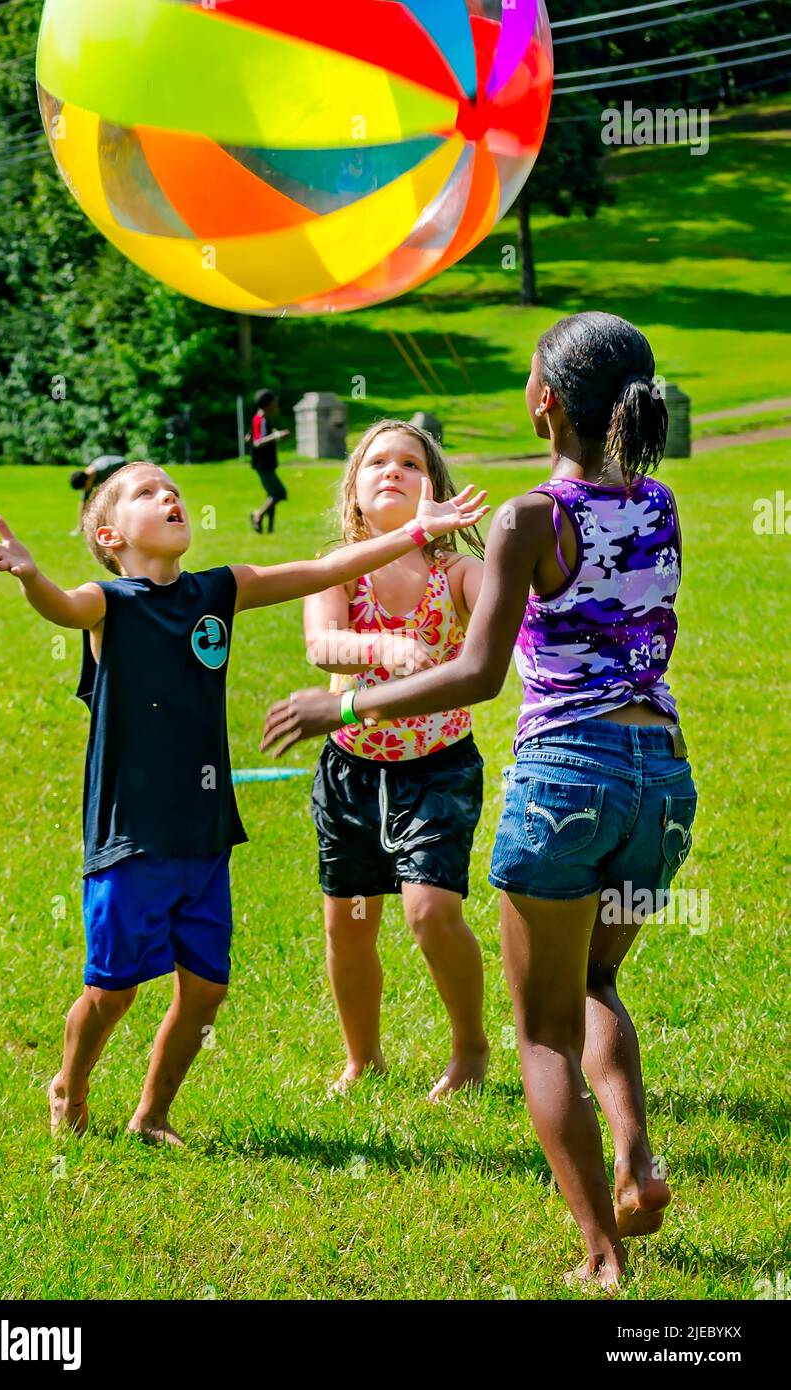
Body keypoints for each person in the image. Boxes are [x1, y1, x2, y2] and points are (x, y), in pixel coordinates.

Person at [261, 312, 698, 1291]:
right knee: (593, 985)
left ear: (543, 402)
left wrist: (347, 700)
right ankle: (635, 1161)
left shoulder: (530, 517)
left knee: (542, 1028)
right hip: (663, 784)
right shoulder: (661, 500)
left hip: (568, 783)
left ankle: (599, 1251)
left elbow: (477, 674)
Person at [0, 461, 487, 1147]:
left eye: (172, 489)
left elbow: (315, 570)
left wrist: (413, 534)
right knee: (113, 991)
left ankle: (152, 1113)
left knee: (206, 990)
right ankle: (69, 1081)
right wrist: (31, 576)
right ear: (110, 533)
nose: (168, 497)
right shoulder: (108, 603)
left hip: (205, 832)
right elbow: (64, 607)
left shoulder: (218, 591)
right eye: (145, 494)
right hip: (130, 836)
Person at [304, 420, 488, 1100]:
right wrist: (382, 652)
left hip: (437, 767)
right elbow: (323, 647)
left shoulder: (459, 573)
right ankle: (363, 1058)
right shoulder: (338, 569)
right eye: (376, 462)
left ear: (436, 492)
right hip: (349, 770)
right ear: (352, 492)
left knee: (429, 909)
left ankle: (470, 1048)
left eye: (410, 464)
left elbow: (502, 627)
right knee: (347, 923)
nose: (392, 471)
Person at [248, 389, 290, 534]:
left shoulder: (257, 419)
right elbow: (258, 442)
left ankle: (270, 529)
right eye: (275, 403)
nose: (276, 406)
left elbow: (251, 437)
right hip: (263, 464)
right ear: (268, 404)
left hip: (265, 464)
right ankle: (257, 515)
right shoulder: (262, 420)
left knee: (271, 494)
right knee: (279, 493)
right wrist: (277, 435)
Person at [69, 455, 126, 535]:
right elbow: (83, 504)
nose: (84, 490)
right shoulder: (87, 479)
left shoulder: (105, 468)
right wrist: (80, 526)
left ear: (86, 482)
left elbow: (126, 465)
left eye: (83, 488)